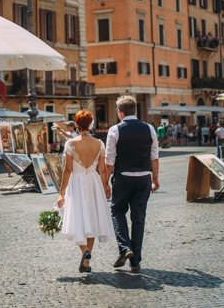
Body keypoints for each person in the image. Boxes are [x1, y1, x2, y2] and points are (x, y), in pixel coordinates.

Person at [105, 95, 159, 272]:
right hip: (144, 177)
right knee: (138, 218)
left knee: (117, 211)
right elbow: (154, 157)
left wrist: (105, 181)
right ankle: (135, 261)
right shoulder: (150, 129)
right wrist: (155, 178)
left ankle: (124, 247)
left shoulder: (115, 130)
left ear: (120, 112)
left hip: (123, 177)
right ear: (134, 110)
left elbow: (109, 161)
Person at [56, 111, 114, 273]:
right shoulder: (99, 144)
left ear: (76, 125)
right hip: (94, 182)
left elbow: (67, 170)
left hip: (77, 182)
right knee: (92, 218)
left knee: (77, 217)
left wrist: (61, 192)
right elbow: (102, 170)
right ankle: (87, 255)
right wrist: (105, 186)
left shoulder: (71, 144)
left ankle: (84, 252)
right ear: (90, 125)